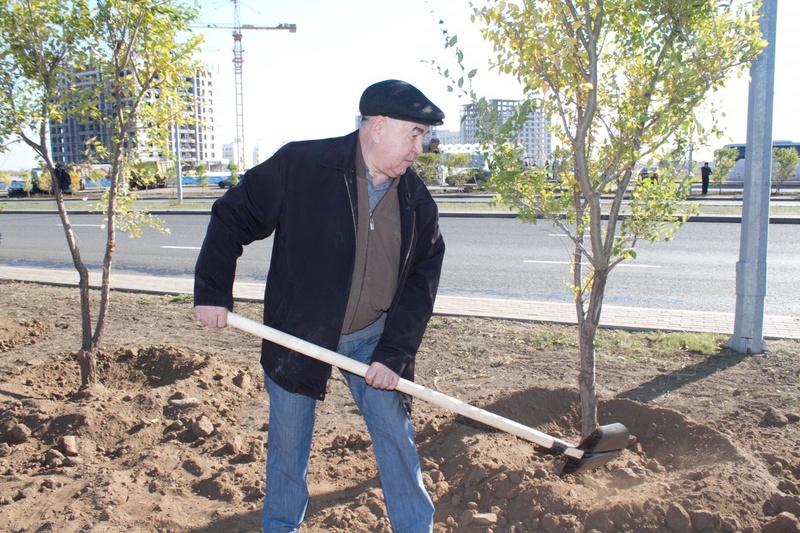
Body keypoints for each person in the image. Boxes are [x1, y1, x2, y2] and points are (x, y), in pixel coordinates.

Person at [193, 79, 446, 533]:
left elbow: (420, 287)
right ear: (378, 126)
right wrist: (213, 291)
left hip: (374, 337)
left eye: (423, 137)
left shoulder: (415, 200)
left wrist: (394, 354)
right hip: (299, 334)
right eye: (414, 134)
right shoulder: (303, 166)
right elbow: (233, 215)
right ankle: (281, 527)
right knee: (289, 445)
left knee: (396, 435)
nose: (419, 148)